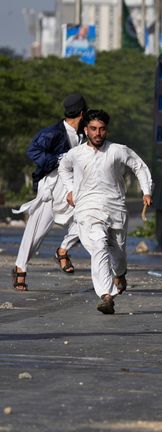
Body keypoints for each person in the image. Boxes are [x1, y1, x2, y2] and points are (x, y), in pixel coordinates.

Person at [59, 109, 153, 314]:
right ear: (86, 130)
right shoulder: (75, 154)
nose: (97, 133)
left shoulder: (118, 150)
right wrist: (69, 189)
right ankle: (106, 295)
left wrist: (146, 191)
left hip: (115, 208)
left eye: (101, 129)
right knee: (99, 245)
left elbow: (139, 167)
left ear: (107, 131)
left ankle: (120, 273)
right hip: (87, 208)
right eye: (93, 129)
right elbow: (63, 168)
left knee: (117, 254)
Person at [11, 93, 87, 291]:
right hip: (51, 188)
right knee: (35, 233)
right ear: (82, 113)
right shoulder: (53, 132)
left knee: (87, 221)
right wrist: (59, 158)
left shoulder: (85, 135)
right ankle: (20, 269)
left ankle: (62, 251)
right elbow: (33, 151)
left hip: (73, 190)